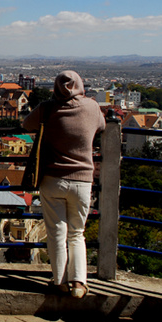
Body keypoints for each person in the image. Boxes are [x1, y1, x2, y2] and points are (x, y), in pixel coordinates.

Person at [22, 70, 106, 299]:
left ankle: (59, 280)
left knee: (56, 233)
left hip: (52, 180)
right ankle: (78, 283)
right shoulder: (92, 107)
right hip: (82, 181)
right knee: (77, 233)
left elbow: (26, 125)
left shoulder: (47, 108)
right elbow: (102, 127)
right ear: (80, 85)